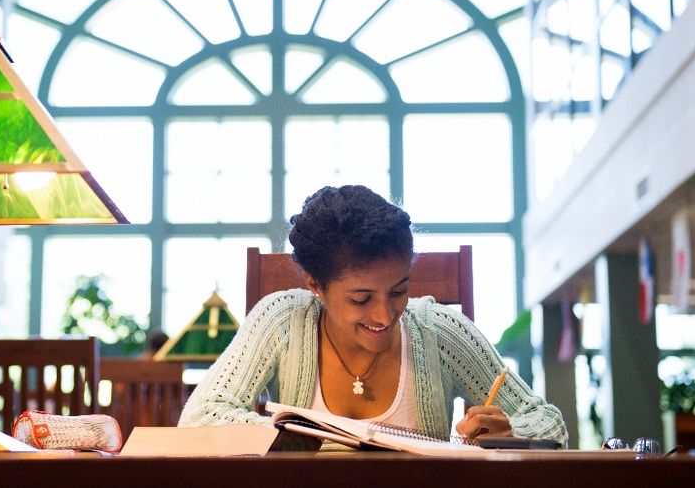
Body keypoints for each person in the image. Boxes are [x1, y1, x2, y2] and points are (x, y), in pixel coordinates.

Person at [178, 185, 567, 446]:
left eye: (399, 290)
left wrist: (511, 431)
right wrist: (286, 432)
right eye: (361, 299)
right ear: (315, 285)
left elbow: (549, 423)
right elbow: (199, 419)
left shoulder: (440, 332)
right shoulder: (283, 320)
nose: (385, 313)